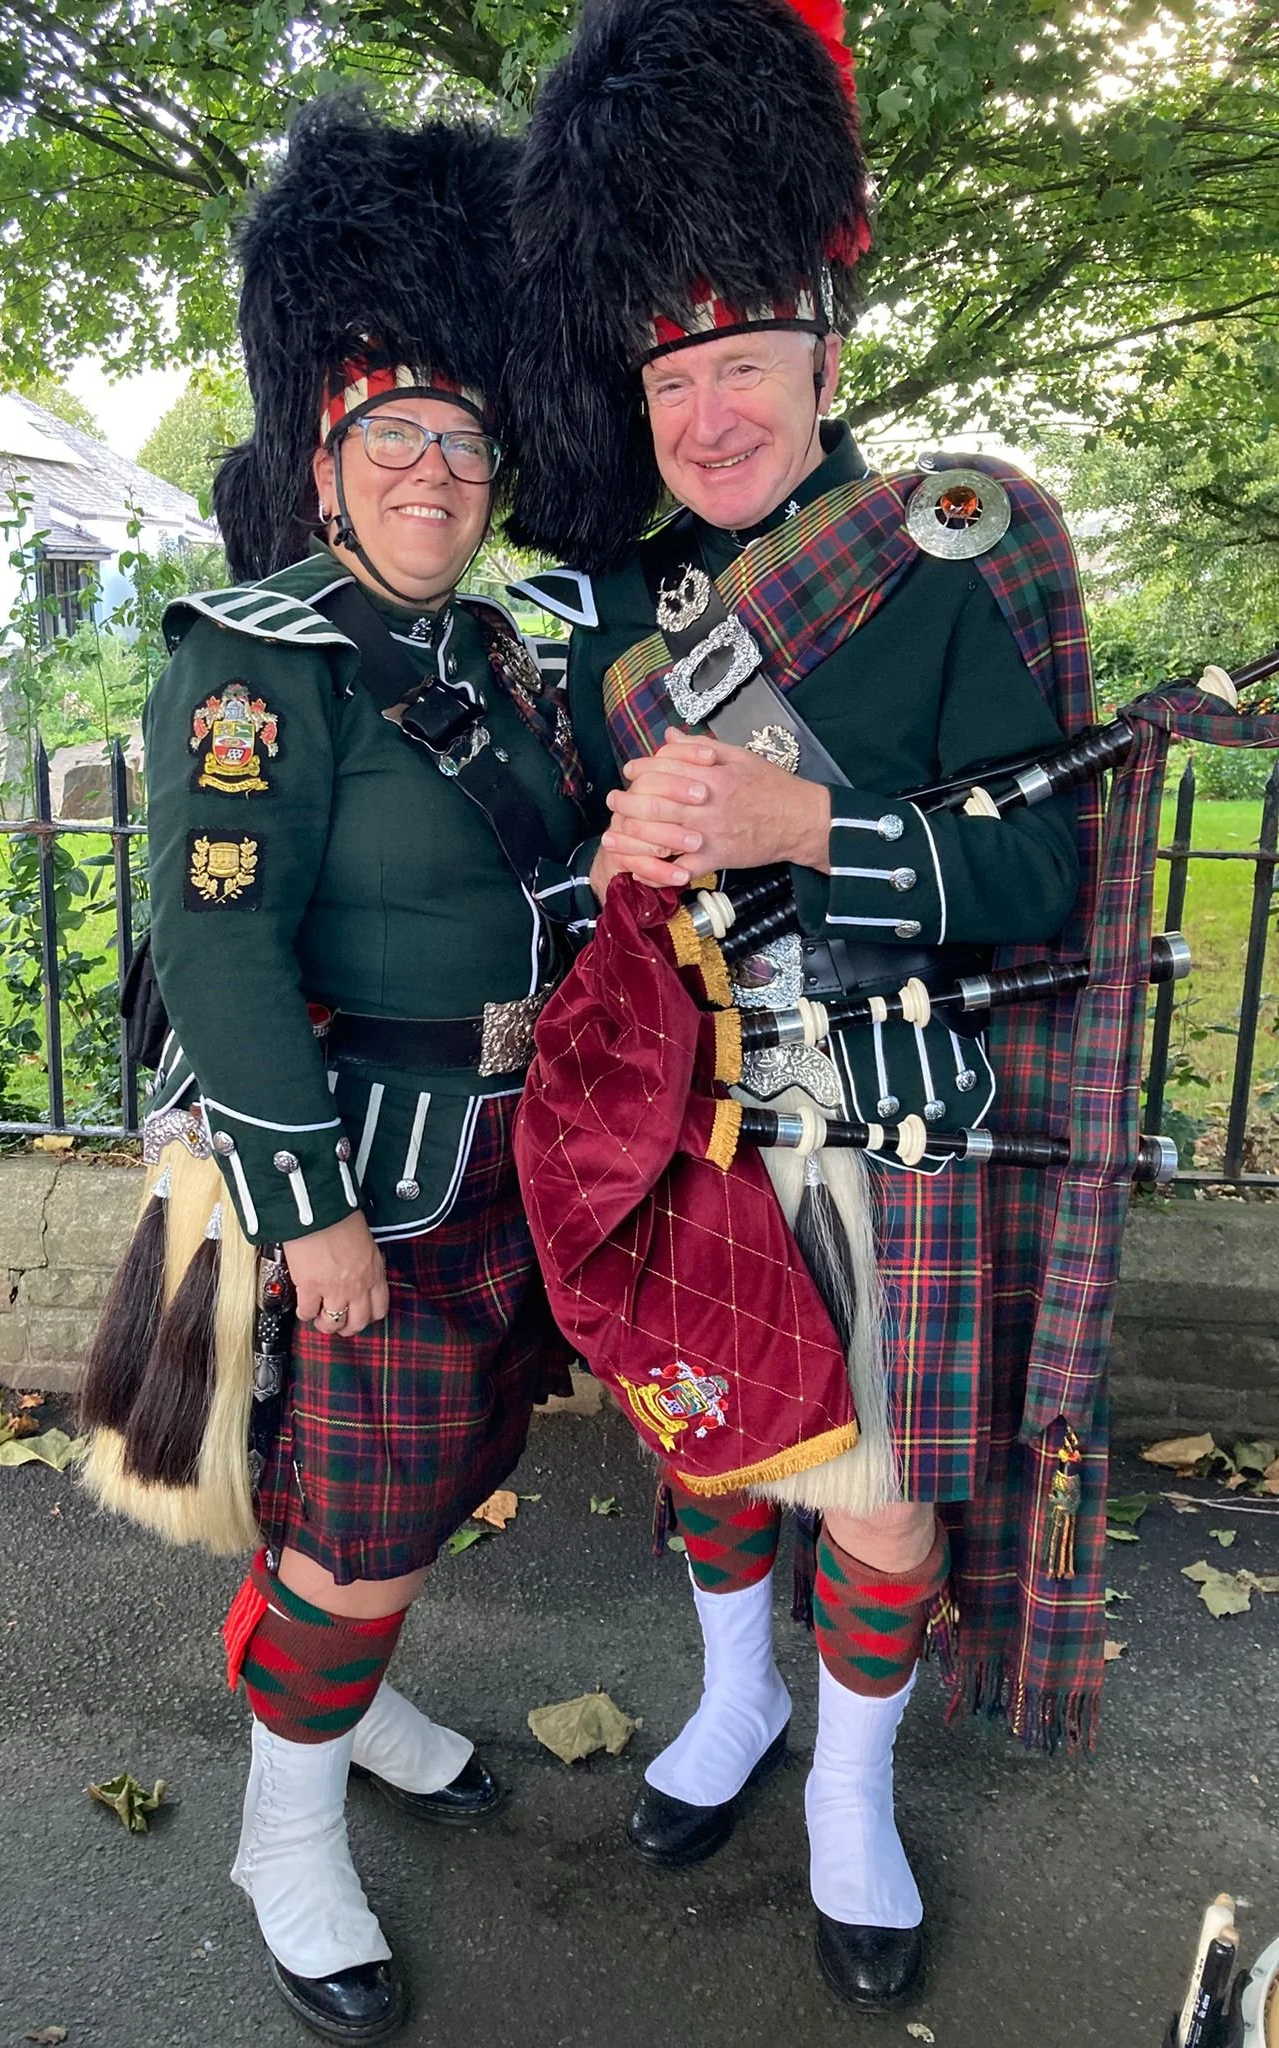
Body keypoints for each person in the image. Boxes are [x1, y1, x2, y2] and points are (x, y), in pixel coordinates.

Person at [505, 0, 1105, 2012]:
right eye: (672, 379)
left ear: (825, 358)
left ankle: (852, 1794)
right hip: (696, 1099)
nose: (707, 414)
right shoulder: (621, 606)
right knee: (707, 1440)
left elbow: (1042, 872)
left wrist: (808, 824)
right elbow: (586, 870)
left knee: (887, 1487)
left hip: (898, 1101)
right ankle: (733, 1696)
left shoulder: (946, 551)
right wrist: (618, 858)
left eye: (742, 365)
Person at [78, 94, 602, 2043]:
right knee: (356, 1519)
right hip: (365, 1165)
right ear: (322, 457)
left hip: (512, 1156)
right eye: (396, 438)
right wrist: (310, 1215)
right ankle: (284, 1836)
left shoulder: (501, 656)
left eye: (464, 441)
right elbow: (218, 947)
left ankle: (352, 1702)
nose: (435, 472)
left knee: (441, 1476)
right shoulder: (254, 661)